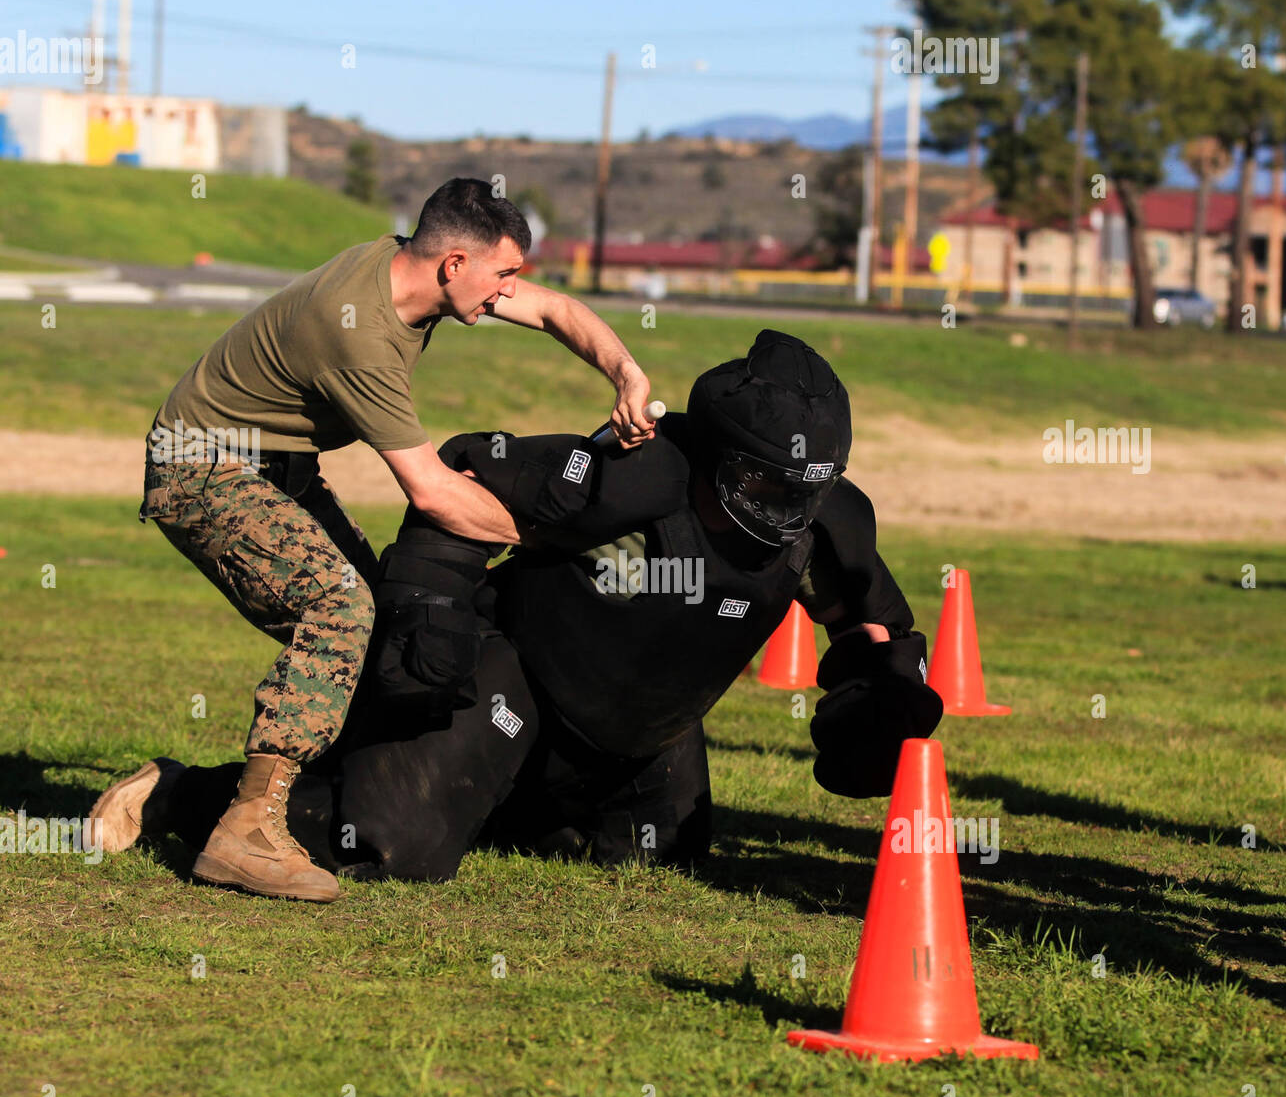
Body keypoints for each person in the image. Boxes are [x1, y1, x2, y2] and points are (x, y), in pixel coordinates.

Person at [92, 330, 942, 888]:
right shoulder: (633, 474)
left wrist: (883, 702)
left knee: (652, 866)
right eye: (764, 484)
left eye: (803, 490)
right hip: (517, 677)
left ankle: (506, 805)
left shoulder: (827, 525)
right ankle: (185, 794)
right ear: (718, 457)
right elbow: (467, 476)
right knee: (393, 844)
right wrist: (426, 612)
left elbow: (872, 627)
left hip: (641, 729)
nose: (784, 509)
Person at [96, 178, 656, 904]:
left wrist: (625, 372)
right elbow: (430, 490)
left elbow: (554, 309)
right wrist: (559, 541)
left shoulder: (422, 276)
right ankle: (245, 832)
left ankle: (177, 795)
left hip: (274, 467)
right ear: (455, 263)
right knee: (338, 606)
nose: (510, 290)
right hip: (200, 466)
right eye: (503, 275)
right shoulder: (356, 329)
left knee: (382, 621)